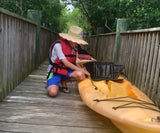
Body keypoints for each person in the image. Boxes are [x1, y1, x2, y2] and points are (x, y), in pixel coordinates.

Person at [46, 26, 90, 97]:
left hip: (66, 72)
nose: (77, 44)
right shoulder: (58, 45)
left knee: (81, 75)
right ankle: (51, 82)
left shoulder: (75, 48)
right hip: (54, 72)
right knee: (52, 93)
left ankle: (63, 82)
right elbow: (66, 63)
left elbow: (75, 63)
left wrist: (83, 71)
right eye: (75, 41)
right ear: (69, 40)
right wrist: (85, 72)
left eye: (78, 42)